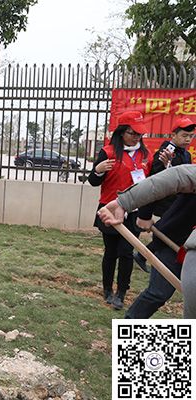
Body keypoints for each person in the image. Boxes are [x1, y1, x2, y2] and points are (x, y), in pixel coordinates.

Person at [99, 164, 196, 318]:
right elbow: (173, 178)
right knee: (158, 293)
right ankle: (129, 331)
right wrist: (125, 203)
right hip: (175, 243)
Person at [88, 111, 152, 311]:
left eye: (139, 134)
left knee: (126, 253)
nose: (136, 138)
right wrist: (98, 169)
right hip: (109, 209)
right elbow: (93, 181)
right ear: (122, 132)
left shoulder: (145, 155)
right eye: (132, 133)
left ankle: (121, 292)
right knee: (111, 252)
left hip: (133, 212)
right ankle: (107, 289)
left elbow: (152, 182)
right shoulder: (108, 152)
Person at [132, 116, 194, 271]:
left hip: (179, 200)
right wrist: (167, 166)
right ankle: (145, 255)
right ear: (173, 135)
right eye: (184, 136)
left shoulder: (186, 154)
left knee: (170, 230)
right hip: (166, 200)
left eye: (191, 136)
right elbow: (157, 178)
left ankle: (145, 255)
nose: (188, 139)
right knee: (168, 229)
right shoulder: (167, 151)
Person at [124, 194, 196, 318]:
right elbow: (160, 184)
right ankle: (128, 328)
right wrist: (144, 214)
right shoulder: (190, 176)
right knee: (159, 293)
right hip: (174, 240)